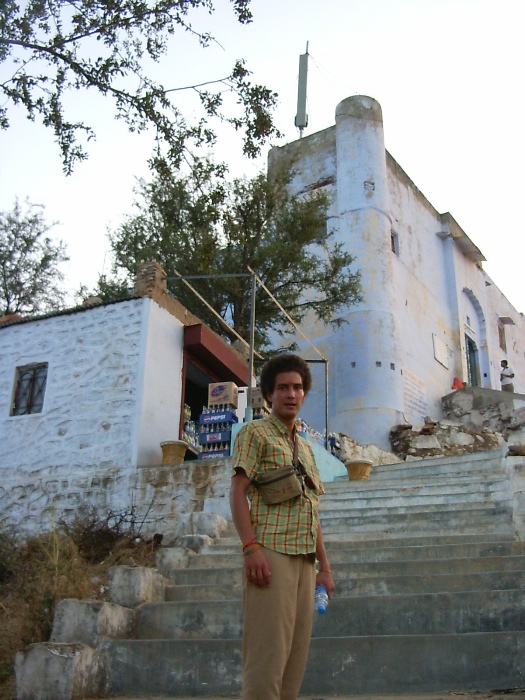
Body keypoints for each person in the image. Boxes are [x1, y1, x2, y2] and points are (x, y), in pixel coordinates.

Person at [230, 353, 334, 700]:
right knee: (267, 656)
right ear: (269, 394)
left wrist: (325, 569)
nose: (292, 394)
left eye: (298, 387)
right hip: (270, 554)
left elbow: (311, 510)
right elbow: (238, 491)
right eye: (283, 387)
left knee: (295, 658)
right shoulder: (254, 433)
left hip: (306, 561)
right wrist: (250, 548)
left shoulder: (306, 448)